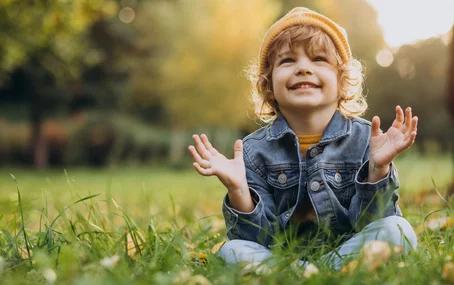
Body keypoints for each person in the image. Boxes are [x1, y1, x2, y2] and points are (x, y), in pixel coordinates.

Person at [188, 7, 418, 270]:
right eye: (288, 61)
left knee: (398, 230)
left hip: (349, 252)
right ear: (268, 84)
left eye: (318, 59)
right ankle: (301, 273)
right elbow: (259, 240)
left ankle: (321, 271)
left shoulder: (367, 140)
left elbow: (371, 224)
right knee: (232, 251)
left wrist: (378, 169)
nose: (303, 69)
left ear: (341, 80)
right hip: (282, 261)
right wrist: (239, 190)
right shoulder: (253, 151)